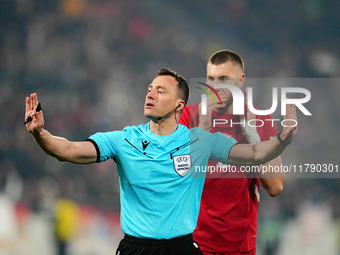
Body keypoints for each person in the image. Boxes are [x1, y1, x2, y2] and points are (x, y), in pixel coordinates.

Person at [25, 68, 296, 255]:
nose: (150, 94)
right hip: (134, 248)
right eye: (149, 89)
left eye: (160, 91)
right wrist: (40, 133)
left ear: (179, 104)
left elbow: (257, 156)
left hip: (181, 248)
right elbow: (67, 150)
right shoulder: (123, 140)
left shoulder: (201, 142)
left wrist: (280, 137)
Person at [179, 50, 285, 255]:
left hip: (240, 246)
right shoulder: (188, 116)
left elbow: (276, 186)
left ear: (240, 80)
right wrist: (201, 131)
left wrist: (254, 140)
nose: (215, 86)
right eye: (211, 79)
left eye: (223, 79)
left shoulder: (260, 120)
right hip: (193, 243)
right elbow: (173, 177)